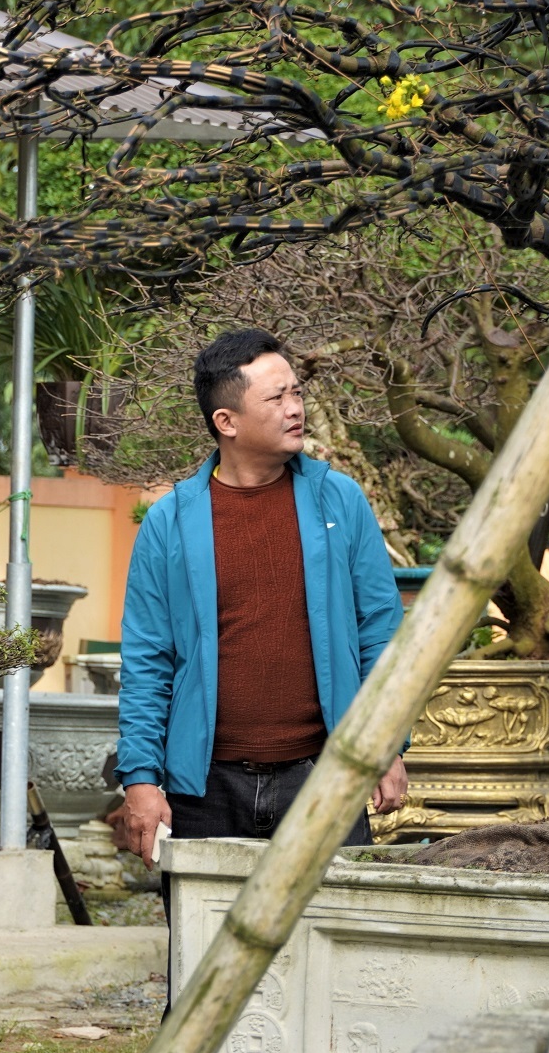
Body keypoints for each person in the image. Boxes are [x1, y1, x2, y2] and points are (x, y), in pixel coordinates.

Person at [115, 329, 408, 867]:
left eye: (296, 393)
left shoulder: (339, 499)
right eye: (276, 398)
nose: (295, 408)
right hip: (202, 790)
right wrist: (140, 779)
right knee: (206, 951)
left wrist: (385, 743)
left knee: (330, 944)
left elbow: (382, 633)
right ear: (226, 422)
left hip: (326, 776)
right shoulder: (169, 522)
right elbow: (146, 660)